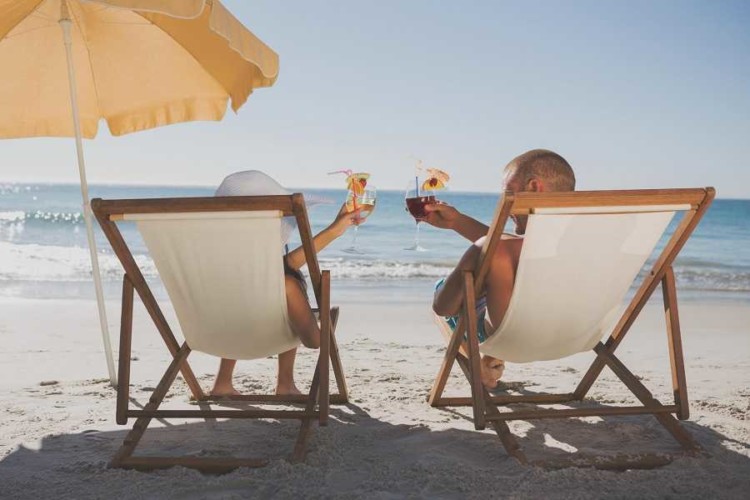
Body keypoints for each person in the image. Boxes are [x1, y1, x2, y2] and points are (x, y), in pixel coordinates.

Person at [424, 149, 576, 389]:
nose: (502, 199)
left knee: (448, 292)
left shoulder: (499, 251)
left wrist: (479, 255)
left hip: (514, 341)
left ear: (534, 188)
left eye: (508, 191)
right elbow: (507, 246)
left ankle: (482, 365)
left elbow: (443, 308)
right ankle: (489, 359)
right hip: (579, 336)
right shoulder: (586, 241)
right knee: (496, 269)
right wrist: (457, 222)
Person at [210, 170, 360, 397]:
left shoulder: (216, 258)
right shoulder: (282, 281)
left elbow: (287, 263)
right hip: (261, 327)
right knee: (288, 291)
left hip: (213, 326)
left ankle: (222, 383)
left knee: (247, 294)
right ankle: (285, 384)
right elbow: (314, 342)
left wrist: (334, 230)